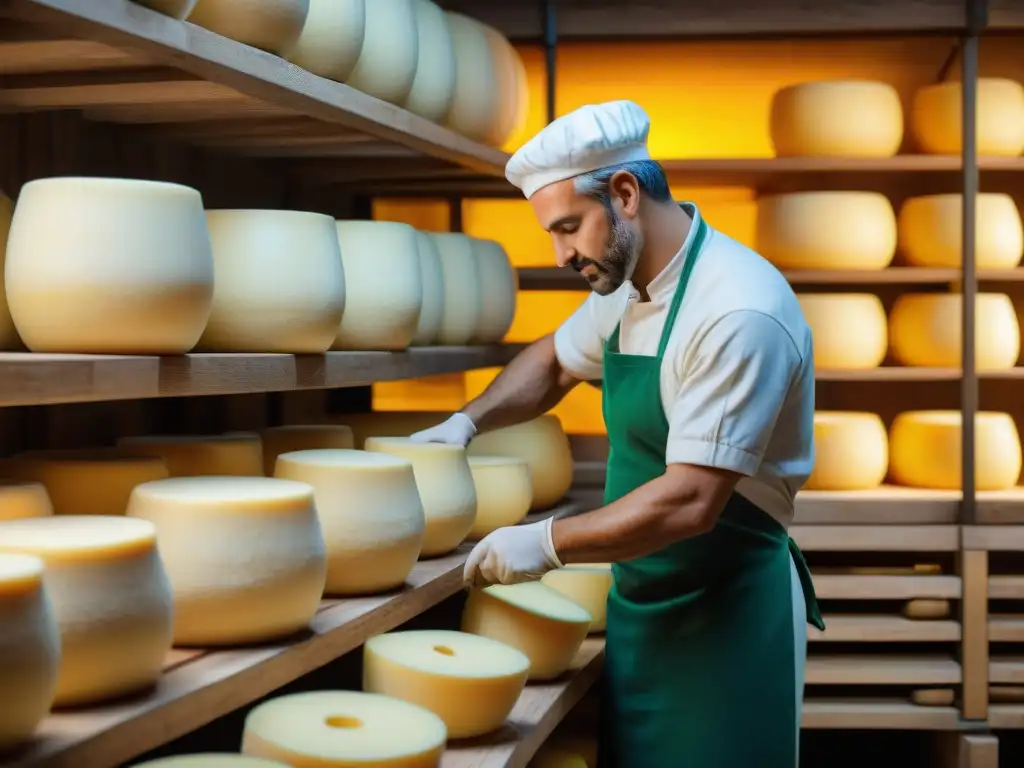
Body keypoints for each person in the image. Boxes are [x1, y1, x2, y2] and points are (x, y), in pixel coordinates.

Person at [409, 100, 824, 767]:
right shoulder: (624, 288)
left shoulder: (737, 310)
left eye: (569, 228)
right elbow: (551, 361)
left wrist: (545, 543)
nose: (561, 253)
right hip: (645, 603)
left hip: (726, 618)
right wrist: (466, 423)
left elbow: (690, 501)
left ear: (625, 193)